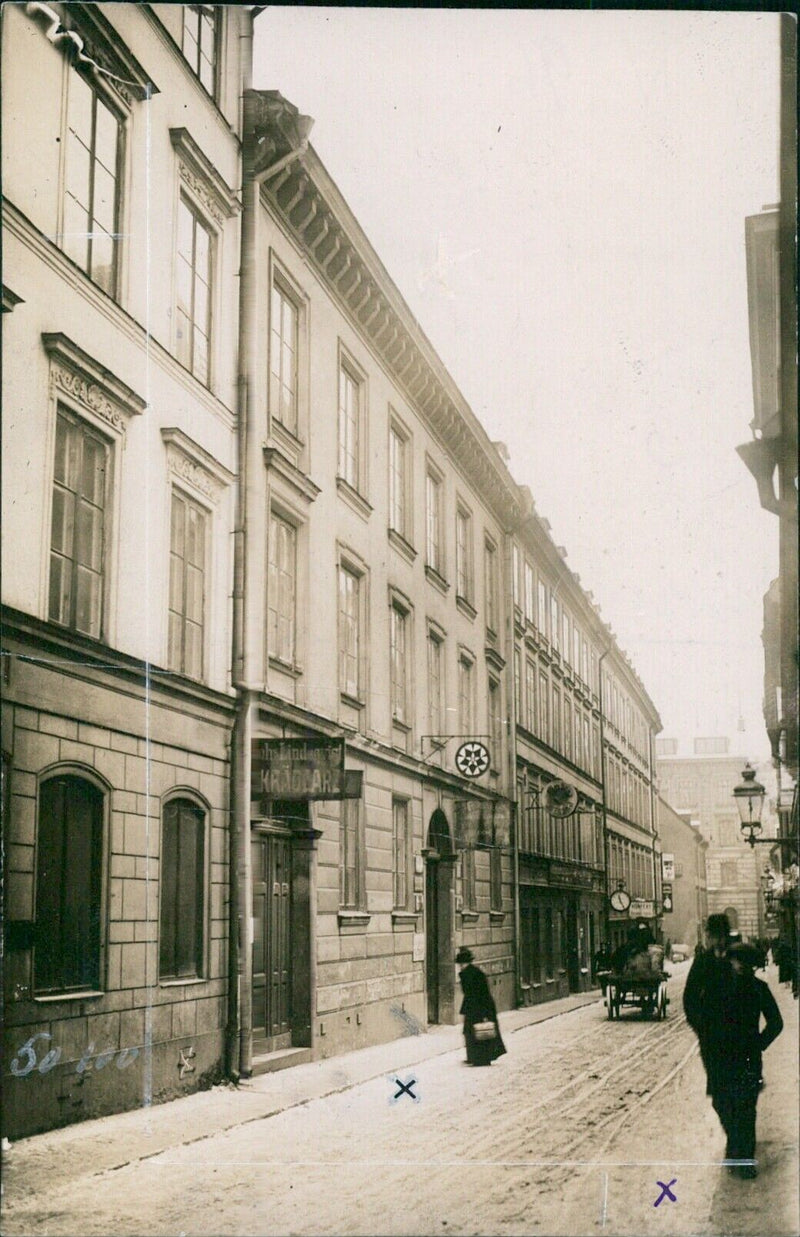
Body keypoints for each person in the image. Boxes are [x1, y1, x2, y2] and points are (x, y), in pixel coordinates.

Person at [702, 942, 783, 1178]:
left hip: (747, 1058)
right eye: (737, 961)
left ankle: (744, 1160)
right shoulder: (718, 988)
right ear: (730, 962)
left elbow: (776, 1023)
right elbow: (707, 1021)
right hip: (723, 1057)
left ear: (753, 966)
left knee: (746, 1109)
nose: (741, 966)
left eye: (746, 963)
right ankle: (735, 1147)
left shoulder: (759, 989)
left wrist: (758, 1043)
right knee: (723, 1104)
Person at [456, 946, 506, 1067]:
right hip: (473, 1007)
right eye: (460, 964)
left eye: (462, 963)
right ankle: (474, 1057)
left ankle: (482, 1058)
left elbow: (482, 994)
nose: (460, 966)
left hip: (481, 1007)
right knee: (470, 1031)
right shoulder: (466, 973)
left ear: (467, 963)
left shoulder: (475, 974)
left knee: (481, 1031)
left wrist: (485, 1014)